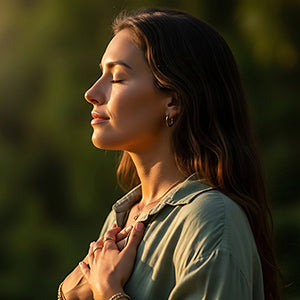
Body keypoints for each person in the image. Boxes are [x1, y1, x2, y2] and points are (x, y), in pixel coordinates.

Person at [58, 7, 281, 300]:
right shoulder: (121, 220)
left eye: (118, 77)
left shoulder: (211, 221)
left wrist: (109, 293)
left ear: (173, 100)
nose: (92, 92)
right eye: (101, 73)